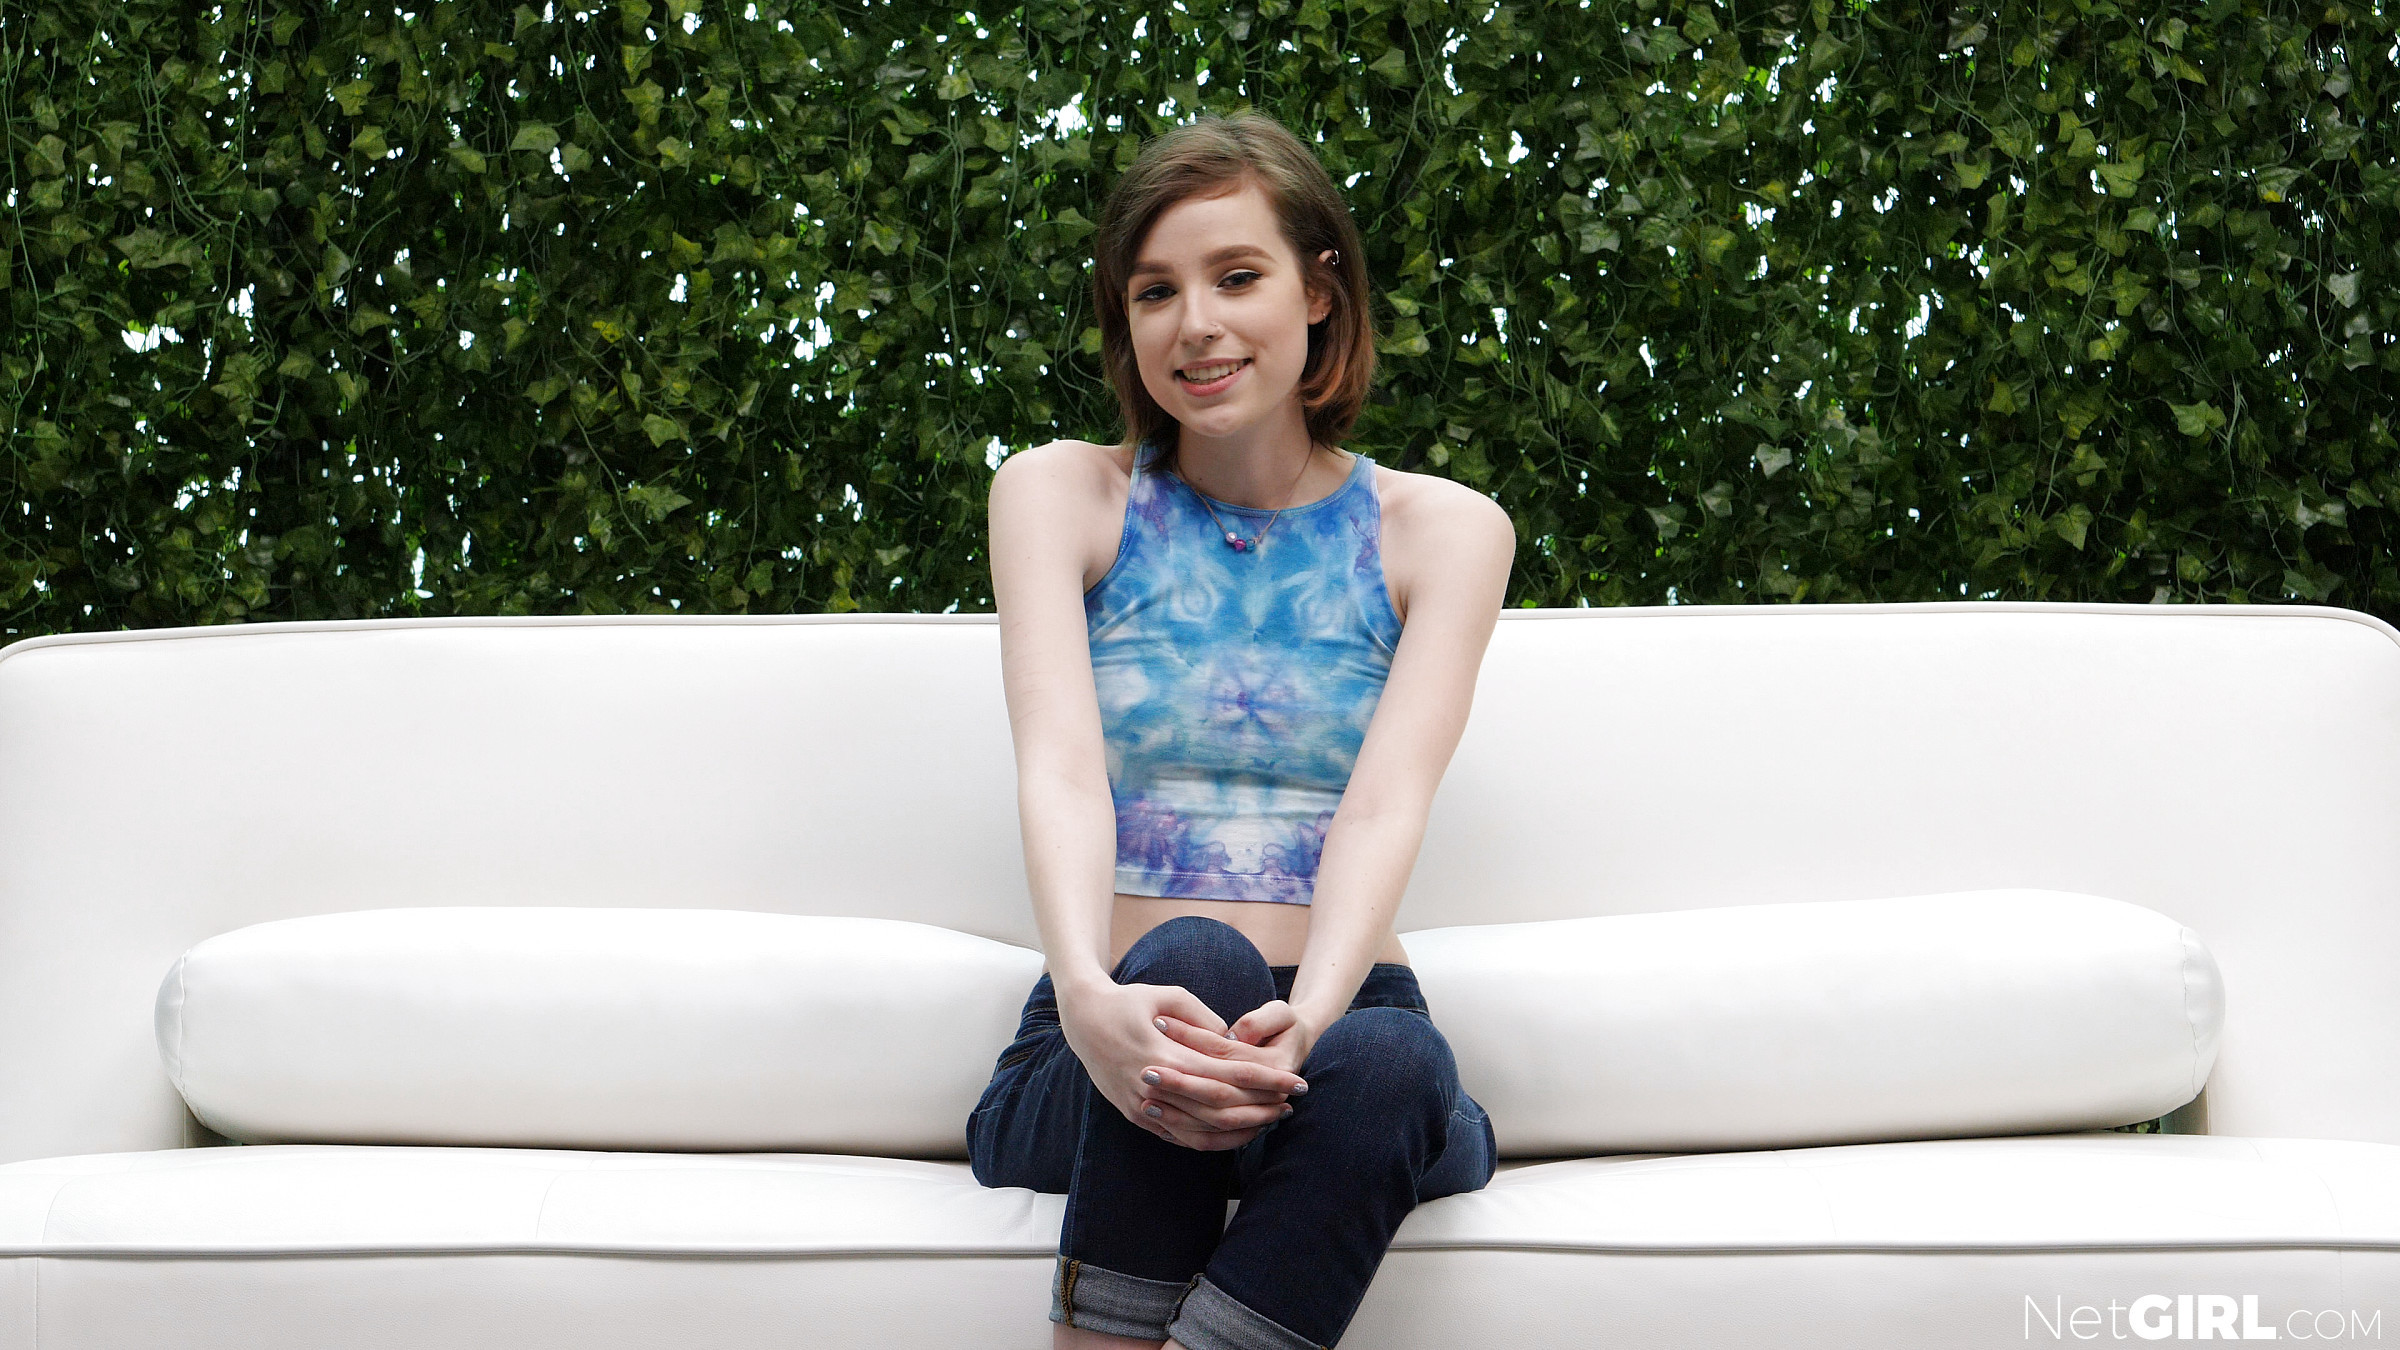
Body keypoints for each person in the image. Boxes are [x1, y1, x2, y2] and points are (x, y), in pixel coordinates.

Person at [968, 109, 1516, 1350]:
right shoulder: (1062, 494)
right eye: (1155, 292)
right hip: (1109, 1035)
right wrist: (1087, 997)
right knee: (1195, 964)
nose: (1195, 324)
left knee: (1397, 1064)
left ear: (1319, 291)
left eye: (1235, 276)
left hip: (1335, 1037)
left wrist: (1308, 1022)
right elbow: (1060, 772)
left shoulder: (1443, 532)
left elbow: (1384, 806)